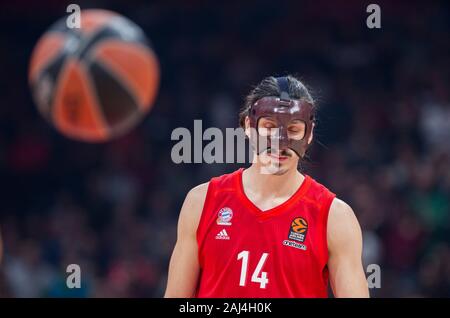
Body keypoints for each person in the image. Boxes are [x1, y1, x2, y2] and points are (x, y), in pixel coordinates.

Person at [165, 76, 369, 297]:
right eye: (269, 127)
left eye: (293, 130)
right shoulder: (202, 201)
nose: (280, 141)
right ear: (248, 127)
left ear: (309, 134)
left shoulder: (335, 217)